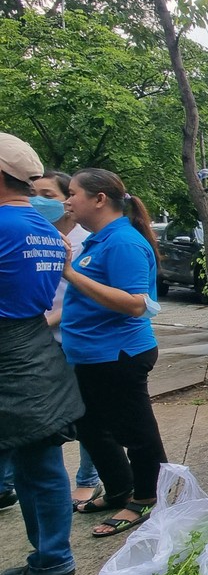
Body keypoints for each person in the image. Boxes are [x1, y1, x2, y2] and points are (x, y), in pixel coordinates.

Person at [61, 168, 168, 537]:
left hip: (118, 354)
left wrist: (70, 274)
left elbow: (136, 303)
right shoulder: (97, 240)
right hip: (90, 355)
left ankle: (147, 496)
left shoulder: (123, 242)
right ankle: (121, 489)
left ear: (99, 198)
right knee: (90, 427)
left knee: (135, 429)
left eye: (73, 193)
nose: (67, 201)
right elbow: (84, 300)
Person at [0, 132, 84, 575]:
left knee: (35, 464)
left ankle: (51, 557)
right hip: (34, 344)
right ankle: (51, 552)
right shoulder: (44, 230)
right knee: (40, 461)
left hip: (9, 350)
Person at [32, 169, 103, 506]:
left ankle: (89, 478)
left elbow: (84, 294)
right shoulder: (32, 235)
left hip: (71, 338)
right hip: (36, 341)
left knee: (86, 413)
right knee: (39, 417)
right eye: (34, 193)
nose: (37, 201)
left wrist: (47, 320)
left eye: (48, 195)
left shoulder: (84, 241)